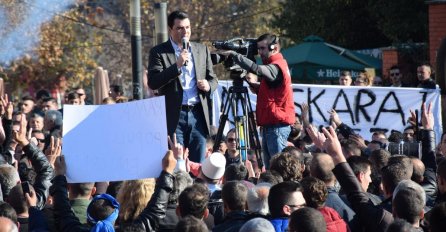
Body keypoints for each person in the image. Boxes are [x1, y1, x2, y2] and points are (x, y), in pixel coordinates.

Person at [148, 10, 218, 163]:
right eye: (180, 28)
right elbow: (153, 82)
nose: (185, 32)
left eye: (187, 27)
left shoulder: (201, 50)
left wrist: (208, 85)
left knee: (197, 165)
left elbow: (213, 79)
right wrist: (176, 66)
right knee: (176, 164)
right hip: (174, 116)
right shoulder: (159, 52)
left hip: (197, 114)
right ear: (170, 29)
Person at [220, 33, 295, 168]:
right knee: (270, 168)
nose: (259, 52)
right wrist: (257, 87)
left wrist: (234, 55)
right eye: (258, 49)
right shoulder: (276, 65)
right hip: (271, 125)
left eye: (263, 48)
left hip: (276, 126)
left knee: (278, 169)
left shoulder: (276, 66)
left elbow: (258, 69)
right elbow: (276, 92)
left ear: (275, 48)